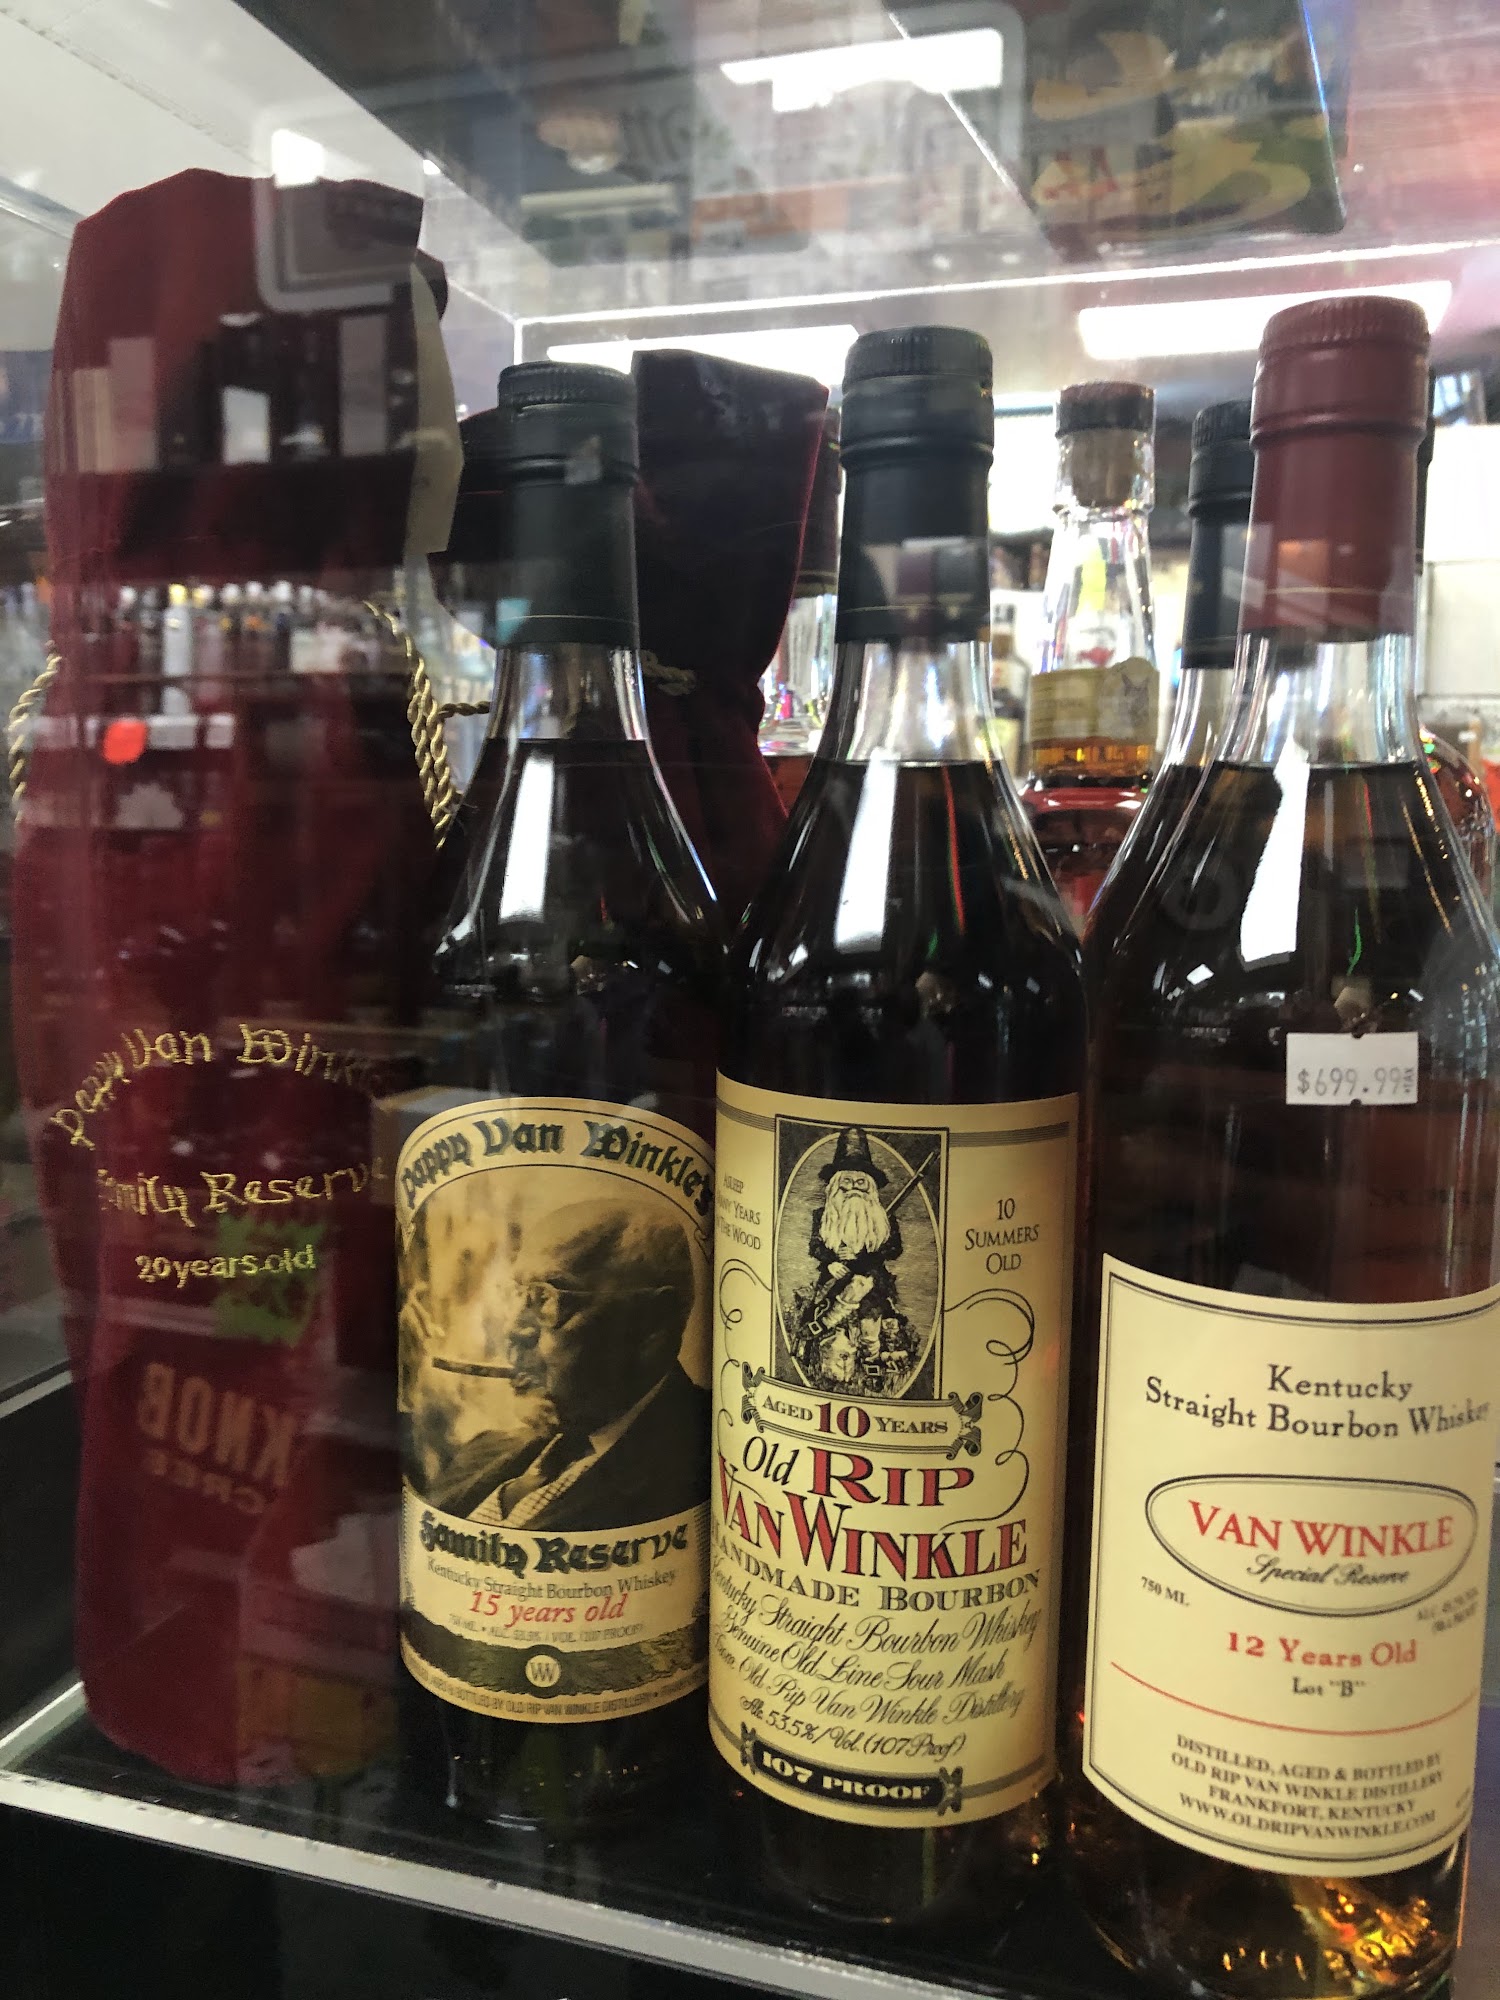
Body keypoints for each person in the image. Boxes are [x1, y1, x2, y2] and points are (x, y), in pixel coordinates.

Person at [424, 1200, 707, 1529]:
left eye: (546, 1298)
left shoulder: (698, 1459)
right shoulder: (485, 1449)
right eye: (517, 1293)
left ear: (651, 1323)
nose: (514, 1330)